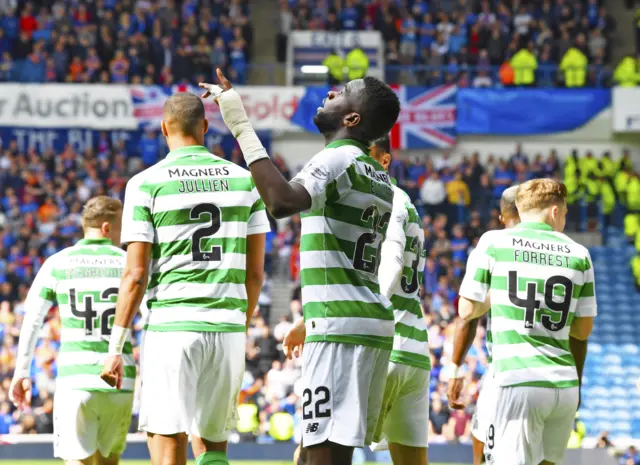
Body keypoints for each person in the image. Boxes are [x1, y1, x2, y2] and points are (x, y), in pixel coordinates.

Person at [200, 69, 400, 465]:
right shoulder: (379, 176)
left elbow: (280, 201)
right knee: (322, 453)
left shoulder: (338, 159)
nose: (330, 91)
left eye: (342, 92)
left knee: (320, 456)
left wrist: (239, 124)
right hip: (366, 324)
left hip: (339, 329)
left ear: (352, 119)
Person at [100, 92, 270, 465]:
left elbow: (135, 274)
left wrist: (115, 348)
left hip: (171, 326)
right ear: (206, 127)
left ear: (164, 128)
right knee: (212, 447)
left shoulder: (146, 183)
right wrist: (238, 323)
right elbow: (255, 273)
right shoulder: (245, 181)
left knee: (167, 442)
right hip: (226, 327)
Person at [452, 179, 596, 465]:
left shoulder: (494, 242)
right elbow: (582, 330)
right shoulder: (580, 254)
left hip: (518, 381)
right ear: (555, 211)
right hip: (564, 387)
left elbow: (466, 311)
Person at [10, 196, 135, 465]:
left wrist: (21, 372)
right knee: (109, 462)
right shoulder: (130, 264)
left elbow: (33, 318)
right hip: (120, 377)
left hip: (75, 378)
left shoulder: (58, 262)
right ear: (106, 227)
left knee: (77, 461)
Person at [368, 135, 430, 465]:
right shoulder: (409, 203)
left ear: (384, 160)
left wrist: (369, 309)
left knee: (316, 450)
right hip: (415, 350)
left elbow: (391, 264)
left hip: (382, 344)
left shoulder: (386, 198)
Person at [447, 185, 520, 465]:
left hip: (503, 373)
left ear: (502, 217)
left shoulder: (493, 243)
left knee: (484, 456)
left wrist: (455, 368)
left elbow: (466, 312)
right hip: (552, 377)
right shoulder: (563, 250)